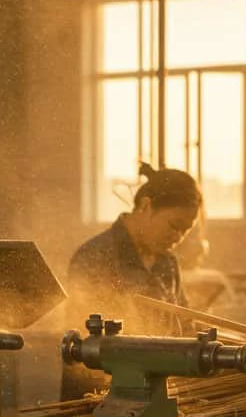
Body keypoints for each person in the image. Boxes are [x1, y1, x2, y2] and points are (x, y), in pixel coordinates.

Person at [60, 163, 202, 399]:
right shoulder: (96, 256)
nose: (177, 237)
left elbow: (183, 326)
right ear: (146, 206)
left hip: (156, 394)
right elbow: (86, 346)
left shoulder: (167, 263)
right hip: (99, 399)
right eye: (173, 226)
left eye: (185, 231)